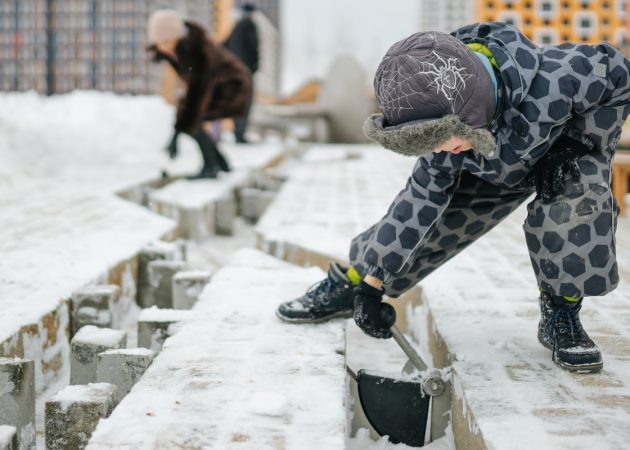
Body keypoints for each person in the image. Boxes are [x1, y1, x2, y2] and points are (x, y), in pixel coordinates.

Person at [277, 23, 630, 374]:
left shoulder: (556, 76)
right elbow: (414, 205)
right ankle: (352, 280)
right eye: (429, 142)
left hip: (559, 158)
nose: (439, 149)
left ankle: (562, 313)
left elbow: (619, 74)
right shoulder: (446, 144)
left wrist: (578, 144)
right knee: (432, 222)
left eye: (442, 136)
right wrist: (372, 286)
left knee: (576, 200)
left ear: (469, 105)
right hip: (491, 173)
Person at [146, 9, 252, 178]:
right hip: (217, 86)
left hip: (233, 87)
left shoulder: (198, 51)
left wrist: (177, 132)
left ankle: (210, 168)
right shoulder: (179, 50)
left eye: (167, 41)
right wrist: (177, 131)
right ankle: (221, 163)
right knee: (191, 119)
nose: (164, 48)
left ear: (177, 36)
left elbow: (197, 90)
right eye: (160, 43)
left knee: (193, 120)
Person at [224, 3, 260, 144]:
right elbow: (254, 47)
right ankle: (240, 135)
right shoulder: (250, 25)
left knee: (237, 102)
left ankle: (237, 133)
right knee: (245, 102)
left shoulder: (236, 27)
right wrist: (255, 66)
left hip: (233, 72)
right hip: (245, 71)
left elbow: (223, 45)